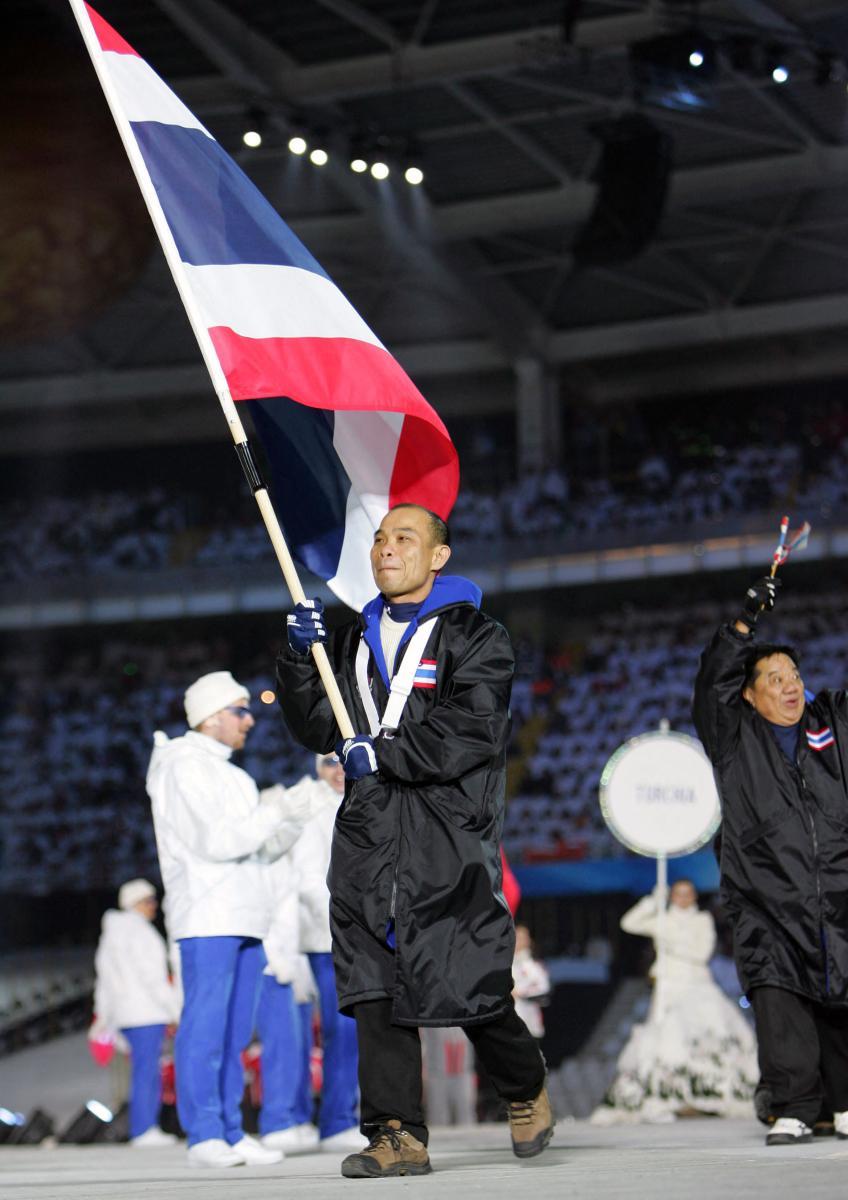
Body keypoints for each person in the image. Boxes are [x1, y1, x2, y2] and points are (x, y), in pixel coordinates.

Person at [277, 503, 553, 1179]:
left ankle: (524, 1086)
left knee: (469, 988)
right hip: (369, 838)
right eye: (378, 538)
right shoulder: (349, 642)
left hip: (446, 840)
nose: (385, 548)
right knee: (374, 989)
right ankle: (396, 1133)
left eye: (404, 537)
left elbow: (475, 728)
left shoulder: (478, 637)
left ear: (438, 557)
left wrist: (386, 751)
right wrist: (295, 661)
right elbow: (318, 726)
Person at [146, 670, 325, 1169]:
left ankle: (228, 1126)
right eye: (239, 710)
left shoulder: (234, 774)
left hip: (246, 914)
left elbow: (261, 850)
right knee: (204, 1027)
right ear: (208, 717)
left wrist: (294, 816)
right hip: (206, 914)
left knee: (234, 1031)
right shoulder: (182, 767)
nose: (250, 719)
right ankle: (203, 1133)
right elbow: (218, 841)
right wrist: (277, 810)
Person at [693, 575, 848, 1145]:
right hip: (764, 895)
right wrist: (742, 626)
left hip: (838, 887)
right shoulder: (732, 736)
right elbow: (712, 685)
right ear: (751, 695)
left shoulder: (832, 723)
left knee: (840, 992)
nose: (790, 686)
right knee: (780, 996)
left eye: (795, 676)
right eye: (774, 679)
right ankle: (793, 1105)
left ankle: (843, 1102)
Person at [592, 880, 758, 1124]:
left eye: (687, 894)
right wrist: (652, 902)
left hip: (698, 986)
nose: (682, 898)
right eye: (677, 894)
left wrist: (670, 942)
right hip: (669, 988)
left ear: (693, 897)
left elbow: (701, 953)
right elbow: (629, 923)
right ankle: (673, 1096)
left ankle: (709, 1094)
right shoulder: (662, 919)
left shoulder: (701, 920)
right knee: (666, 1042)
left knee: (707, 1039)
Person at [289, 753, 362, 1152]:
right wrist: (344, 919)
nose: (338, 770)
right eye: (330, 762)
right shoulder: (314, 807)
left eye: (343, 761)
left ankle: (342, 1115)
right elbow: (307, 879)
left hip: (351, 933)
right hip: (326, 937)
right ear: (316, 768)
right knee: (343, 1029)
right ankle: (335, 1121)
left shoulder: (355, 799)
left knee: (355, 1029)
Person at [91, 878, 181, 1147]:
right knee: (147, 1071)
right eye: (150, 900)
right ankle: (144, 1128)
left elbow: (104, 978)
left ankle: (143, 1126)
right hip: (146, 1012)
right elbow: (153, 977)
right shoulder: (140, 932)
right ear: (136, 903)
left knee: (143, 1070)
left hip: (126, 1014)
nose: (154, 906)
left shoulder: (112, 933)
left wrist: (103, 1016)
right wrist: (174, 1009)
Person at [512, 925, 551, 1042]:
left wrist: (519, 992)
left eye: (523, 938)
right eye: (517, 937)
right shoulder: (504, 961)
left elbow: (544, 986)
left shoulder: (533, 964)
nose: (519, 941)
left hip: (526, 1017)